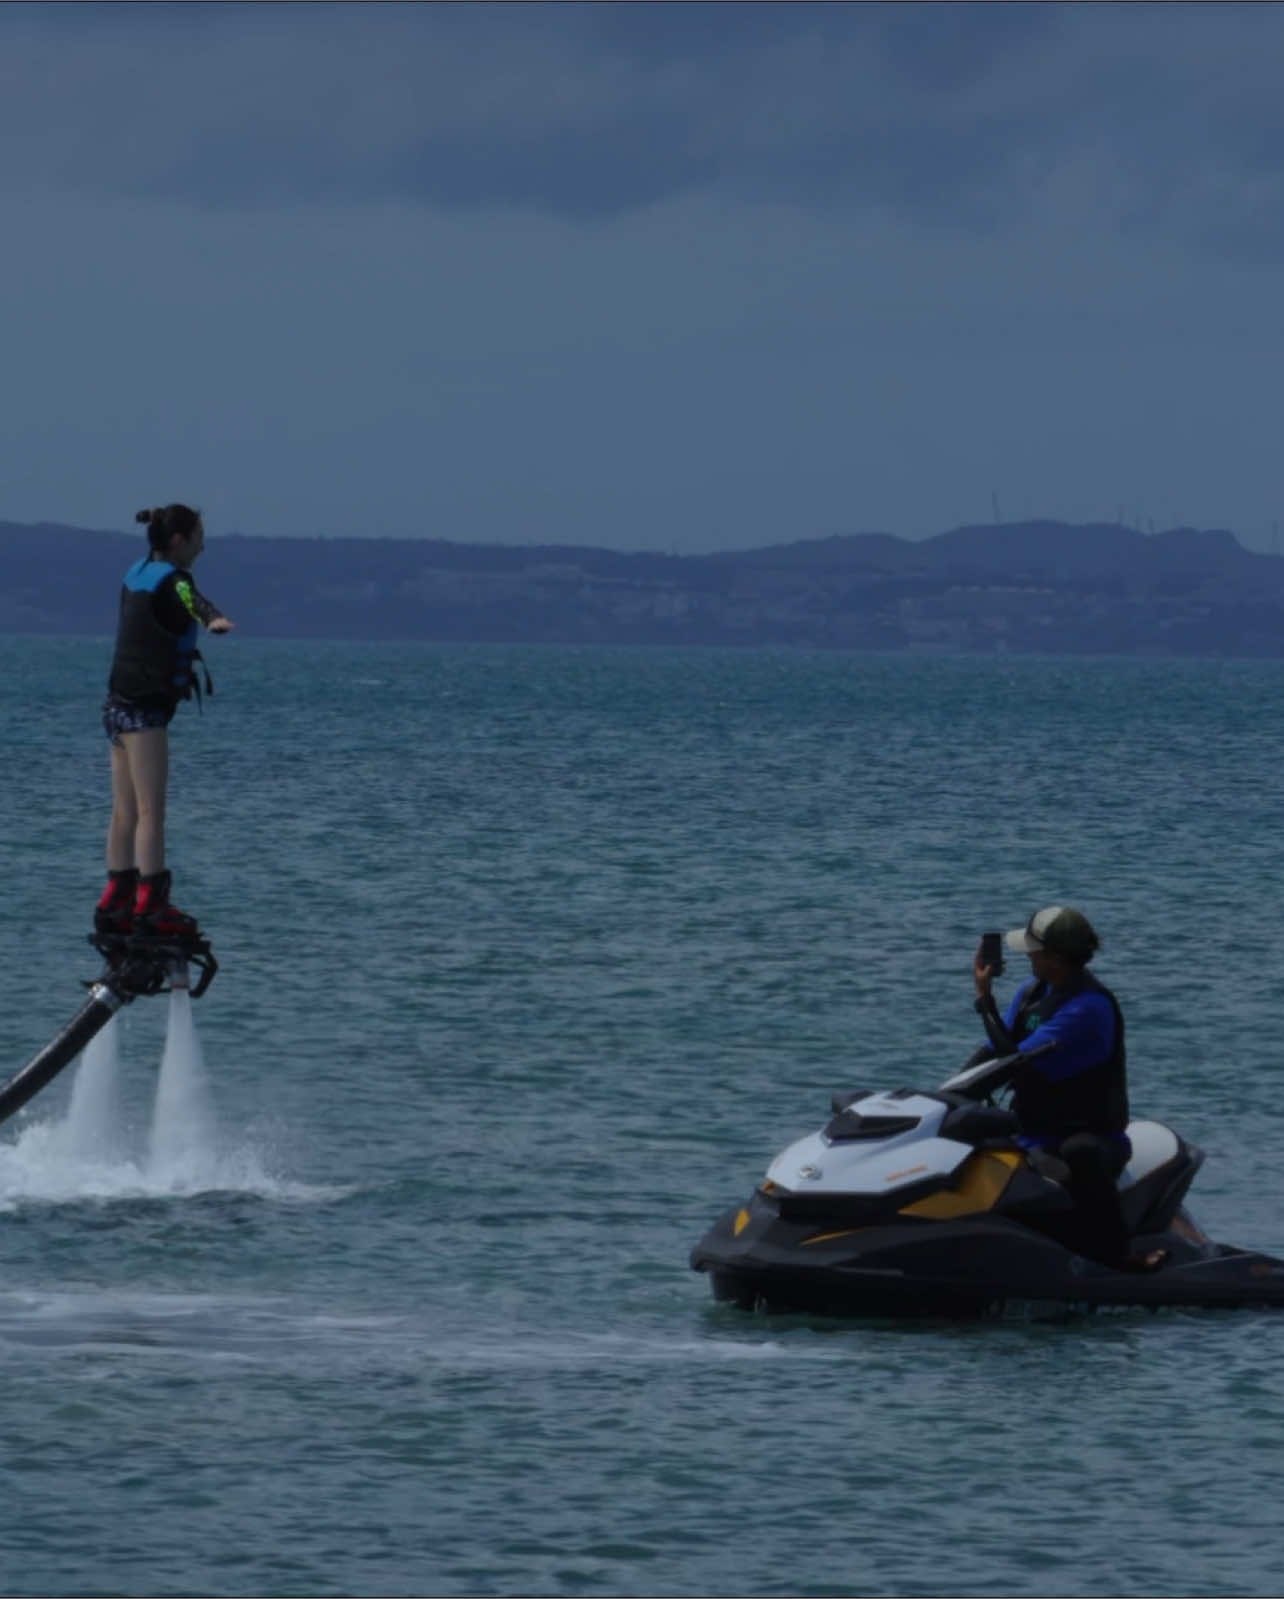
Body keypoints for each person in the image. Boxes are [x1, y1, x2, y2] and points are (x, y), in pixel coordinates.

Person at [971, 905, 1166, 1273]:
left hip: (1089, 1136)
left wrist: (984, 1000)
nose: (1027, 955)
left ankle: (1116, 1253)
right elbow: (996, 1050)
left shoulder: (1087, 1008)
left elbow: (1015, 1061)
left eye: (1034, 950)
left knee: (1082, 1151)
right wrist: (948, 1097)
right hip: (1033, 1130)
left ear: (1056, 958)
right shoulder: (1032, 993)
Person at [93, 505, 235, 943]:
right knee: (152, 811)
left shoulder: (136, 571)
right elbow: (193, 601)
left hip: (116, 704)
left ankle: (116, 896)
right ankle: (152, 905)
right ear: (179, 541)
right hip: (144, 711)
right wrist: (214, 619)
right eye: (198, 538)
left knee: (125, 810)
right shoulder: (175, 581)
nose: (203, 546)